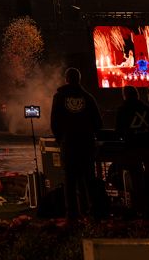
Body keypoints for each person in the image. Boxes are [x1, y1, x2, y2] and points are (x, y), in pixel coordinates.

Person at [50, 67, 103, 219]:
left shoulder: (59, 97)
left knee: (70, 179)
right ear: (79, 79)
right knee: (88, 178)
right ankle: (93, 212)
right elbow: (98, 123)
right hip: (86, 144)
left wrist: (61, 139)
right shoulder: (88, 97)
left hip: (69, 144)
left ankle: (72, 214)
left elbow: (54, 122)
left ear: (66, 79)